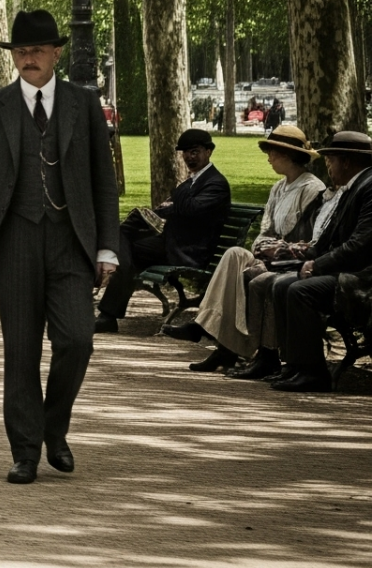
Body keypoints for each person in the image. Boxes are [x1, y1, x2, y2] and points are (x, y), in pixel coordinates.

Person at [0, 10, 120, 485]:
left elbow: (103, 182)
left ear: (56, 53)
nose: (29, 59)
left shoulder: (82, 104)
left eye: (37, 51)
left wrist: (106, 246)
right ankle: (25, 451)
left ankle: (54, 426)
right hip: (17, 243)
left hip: (71, 242)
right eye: (21, 52)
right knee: (21, 351)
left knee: (77, 340)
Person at [171, 125, 327, 371]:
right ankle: (214, 337)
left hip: (292, 261)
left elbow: (309, 239)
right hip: (270, 256)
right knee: (234, 254)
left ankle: (226, 346)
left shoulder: (311, 188)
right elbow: (263, 234)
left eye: (272, 153)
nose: (268, 158)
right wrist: (266, 245)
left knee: (253, 275)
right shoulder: (279, 187)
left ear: (287, 155)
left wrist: (274, 247)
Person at [95, 128, 232, 331]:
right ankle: (107, 314)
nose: (189, 157)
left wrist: (177, 192)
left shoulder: (215, 183)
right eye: (185, 153)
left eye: (194, 152)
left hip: (187, 251)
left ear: (208, 151)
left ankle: (107, 308)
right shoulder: (195, 181)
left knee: (122, 243)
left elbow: (190, 208)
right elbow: (174, 209)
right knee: (122, 233)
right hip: (171, 242)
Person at [271, 129, 372, 392]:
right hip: (347, 270)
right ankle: (293, 365)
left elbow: (360, 245)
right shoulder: (354, 186)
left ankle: (312, 372)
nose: (327, 164)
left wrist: (317, 265)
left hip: (362, 278)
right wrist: (308, 251)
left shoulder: (368, 187)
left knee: (301, 290)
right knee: (282, 285)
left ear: (346, 161)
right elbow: (333, 240)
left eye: (330, 159)